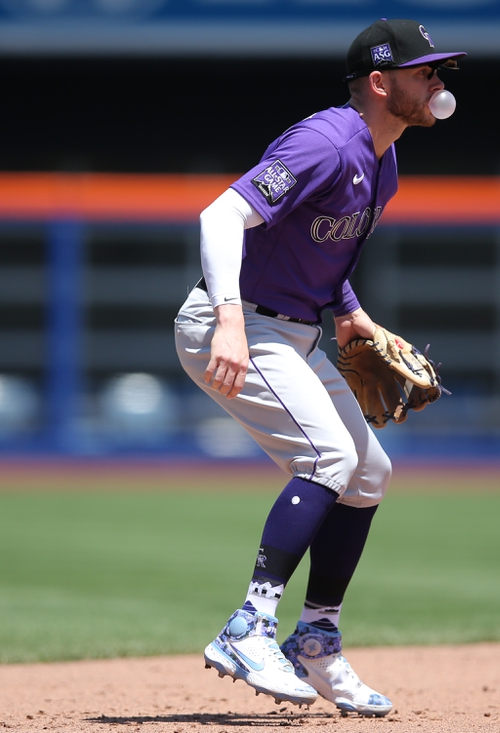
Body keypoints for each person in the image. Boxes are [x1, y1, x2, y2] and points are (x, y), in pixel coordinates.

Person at [174, 18, 465, 717]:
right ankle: (249, 624)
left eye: (439, 72)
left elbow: (319, 251)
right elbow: (221, 217)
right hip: (234, 321)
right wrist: (233, 324)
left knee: (369, 473)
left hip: (292, 331)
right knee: (329, 457)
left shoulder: (384, 161)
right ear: (379, 83)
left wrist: (351, 313)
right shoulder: (325, 142)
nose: (438, 83)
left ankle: (318, 640)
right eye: (425, 71)